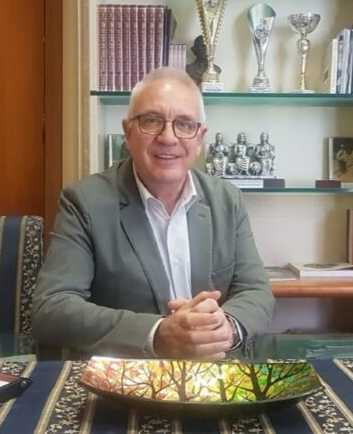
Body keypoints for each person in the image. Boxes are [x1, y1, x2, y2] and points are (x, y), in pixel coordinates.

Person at [32, 67, 274, 359]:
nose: (168, 137)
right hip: (125, 376)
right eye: (151, 121)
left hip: (213, 372)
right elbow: (52, 309)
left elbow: (256, 292)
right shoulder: (84, 201)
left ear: (200, 138)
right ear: (128, 132)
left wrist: (227, 328)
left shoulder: (226, 199)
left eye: (184, 124)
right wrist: (156, 334)